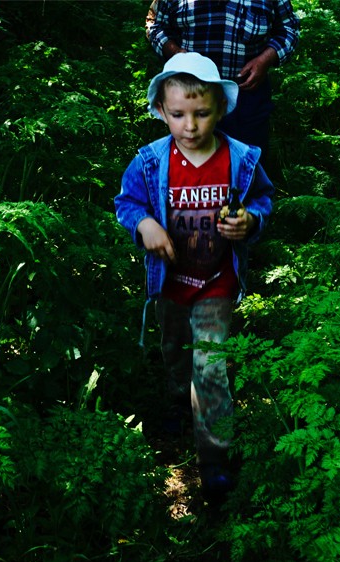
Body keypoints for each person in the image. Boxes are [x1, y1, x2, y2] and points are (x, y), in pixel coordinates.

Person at [115, 52, 274, 501]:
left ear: (220, 109)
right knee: (176, 354)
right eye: (179, 114)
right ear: (162, 111)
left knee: (211, 364)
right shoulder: (150, 162)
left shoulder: (239, 159)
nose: (190, 126)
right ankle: (175, 403)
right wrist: (145, 225)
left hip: (216, 283)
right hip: (171, 283)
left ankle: (214, 458)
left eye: (202, 113)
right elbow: (127, 203)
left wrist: (249, 221)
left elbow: (262, 198)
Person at [145, 0, 300, 167]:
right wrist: (174, 52)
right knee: (187, 170)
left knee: (246, 167)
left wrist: (266, 59)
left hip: (247, 99)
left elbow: (289, 29)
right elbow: (154, 24)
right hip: (188, 100)